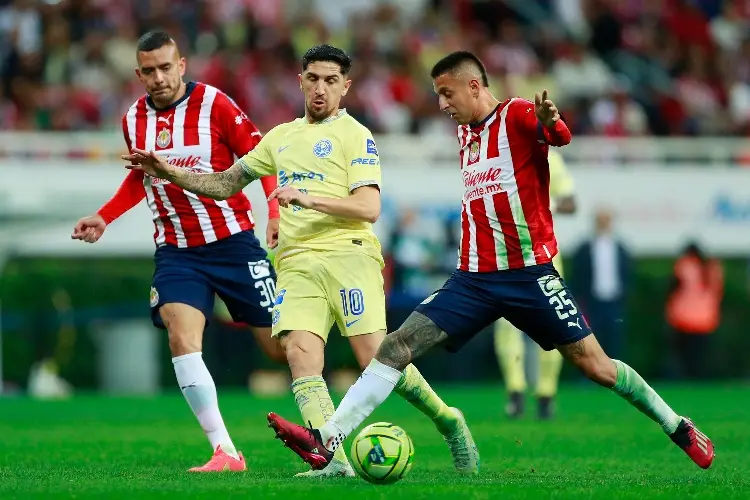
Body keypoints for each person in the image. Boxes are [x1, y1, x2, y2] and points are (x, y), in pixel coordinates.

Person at [265, 51, 715, 472]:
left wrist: (552, 124)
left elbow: (557, 136)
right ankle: (328, 440)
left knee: (596, 366)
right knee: (395, 347)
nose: (441, 104)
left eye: (447, 93)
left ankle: (676, 424)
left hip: (529, 276)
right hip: (473, 280)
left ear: (475, 86)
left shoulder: (518, 114)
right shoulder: (465, 131)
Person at [121, 44, 479, 478]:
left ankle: (447, 419)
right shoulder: (281, 137)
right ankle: (334, 463)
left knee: (375, 359)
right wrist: (170, 172)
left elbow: (368, 207)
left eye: (331, 81)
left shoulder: (357, 136)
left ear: (345, 87)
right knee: (298, 353)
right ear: (301, 82)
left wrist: (306, 198)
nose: (321, 89)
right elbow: (226, 183)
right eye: (313, 79)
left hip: (349, 254)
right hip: (296, 261)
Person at [71, 31, 286, 473]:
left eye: (166, 67)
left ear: (182, 65)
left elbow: (260, 155)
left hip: (234, 243)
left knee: (282, 349)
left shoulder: (216, 104)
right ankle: (226, 452)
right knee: (181, 336)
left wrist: (275, 209)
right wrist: (104, 217)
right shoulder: (133, 119)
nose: (158, 77)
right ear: (138, 74)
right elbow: (140, 178)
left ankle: (328, 428)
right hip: (178, 252)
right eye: (148, 71)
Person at [494, 148, 576, 419]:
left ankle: (546, 393)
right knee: (506, 329)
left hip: (544, 255)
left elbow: (570, 202)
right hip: (505, 255)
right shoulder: (498, 152)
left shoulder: (548, 156)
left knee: (554, 326)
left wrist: (542, 204)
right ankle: (515, 391)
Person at [666, 242, 723, 379]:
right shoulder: (712, 267)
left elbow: (673, 289)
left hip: (683, 318)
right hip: (706, 319)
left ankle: (685, 379)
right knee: (700, 355)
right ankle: (700, 379)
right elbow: (718, 291)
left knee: (684, 355)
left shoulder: (684, 265)